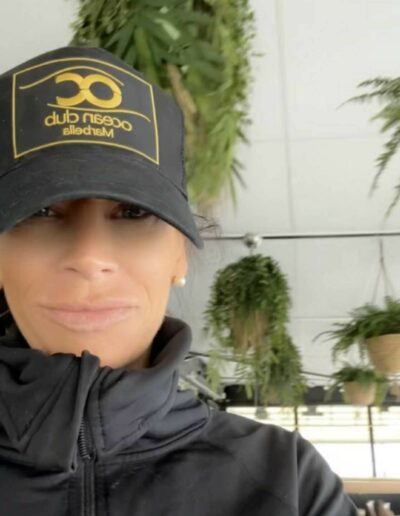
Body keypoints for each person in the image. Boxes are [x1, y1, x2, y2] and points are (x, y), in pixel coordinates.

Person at [0, 45, 358, 515]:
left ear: (179, 255)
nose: (89, 257)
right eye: (42, 210)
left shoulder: (287, 483)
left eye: (134, 212)